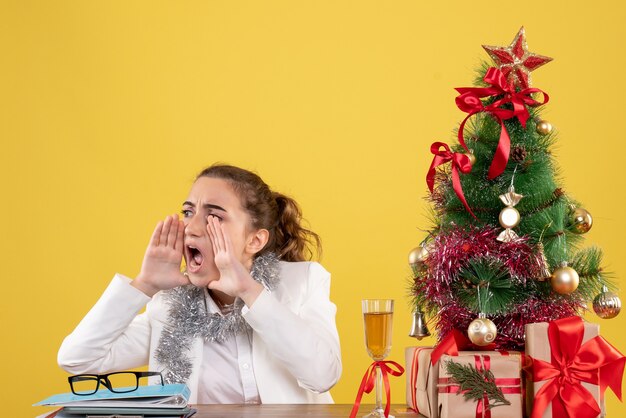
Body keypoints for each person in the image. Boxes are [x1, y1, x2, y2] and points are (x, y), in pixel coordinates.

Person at [58, 164, 342, 404]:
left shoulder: (303, 282)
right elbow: (77, 360)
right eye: (189, 212)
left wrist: (249, 290)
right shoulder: (168, 307)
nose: (191, 227)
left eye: (214, 216)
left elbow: (322, 376)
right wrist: (145, 284)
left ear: (255, 240)